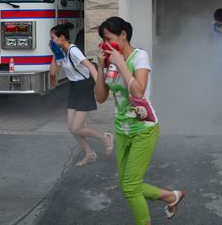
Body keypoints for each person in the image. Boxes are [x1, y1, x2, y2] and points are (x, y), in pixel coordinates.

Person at [94, 17, 185, 225]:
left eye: (109, 38)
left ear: (123, 35)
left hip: (143, 129)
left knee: (130, 186)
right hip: (122, 130)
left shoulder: (140, 56)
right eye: (103, 40)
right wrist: (100, 67)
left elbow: (138, 91)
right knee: (128, 185)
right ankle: (170, 196)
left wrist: (120, 63)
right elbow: (100, 97)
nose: (106, 44)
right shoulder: (109, 62)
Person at [49, 23, 113, 167]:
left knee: (77, 128)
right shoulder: (61, 53)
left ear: (62, 37)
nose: (50, 41)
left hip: (85, 87)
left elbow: (90, 66)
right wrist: (54, 53)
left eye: (52, 38)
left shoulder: (73, 50)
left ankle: (105, 137)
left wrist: (100, 86)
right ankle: (90, 154)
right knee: (72, 127)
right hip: (74, 88)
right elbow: (53, 73)